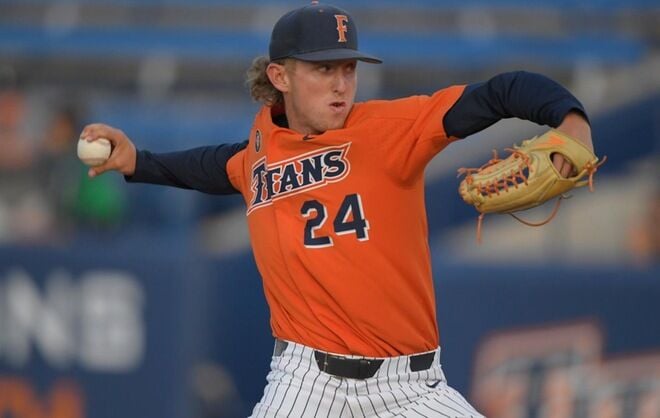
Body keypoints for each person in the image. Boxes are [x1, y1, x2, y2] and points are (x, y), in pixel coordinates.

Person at [79, 2, 594, 417]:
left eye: (348, 68)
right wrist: (137, 162)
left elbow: (503, 91)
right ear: (279, 75)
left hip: (412, 389)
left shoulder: (391, 130)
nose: (341, 84)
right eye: (323, 68)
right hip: (306, 384)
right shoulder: (261, 147)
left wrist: (570, 119)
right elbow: (219, 166)